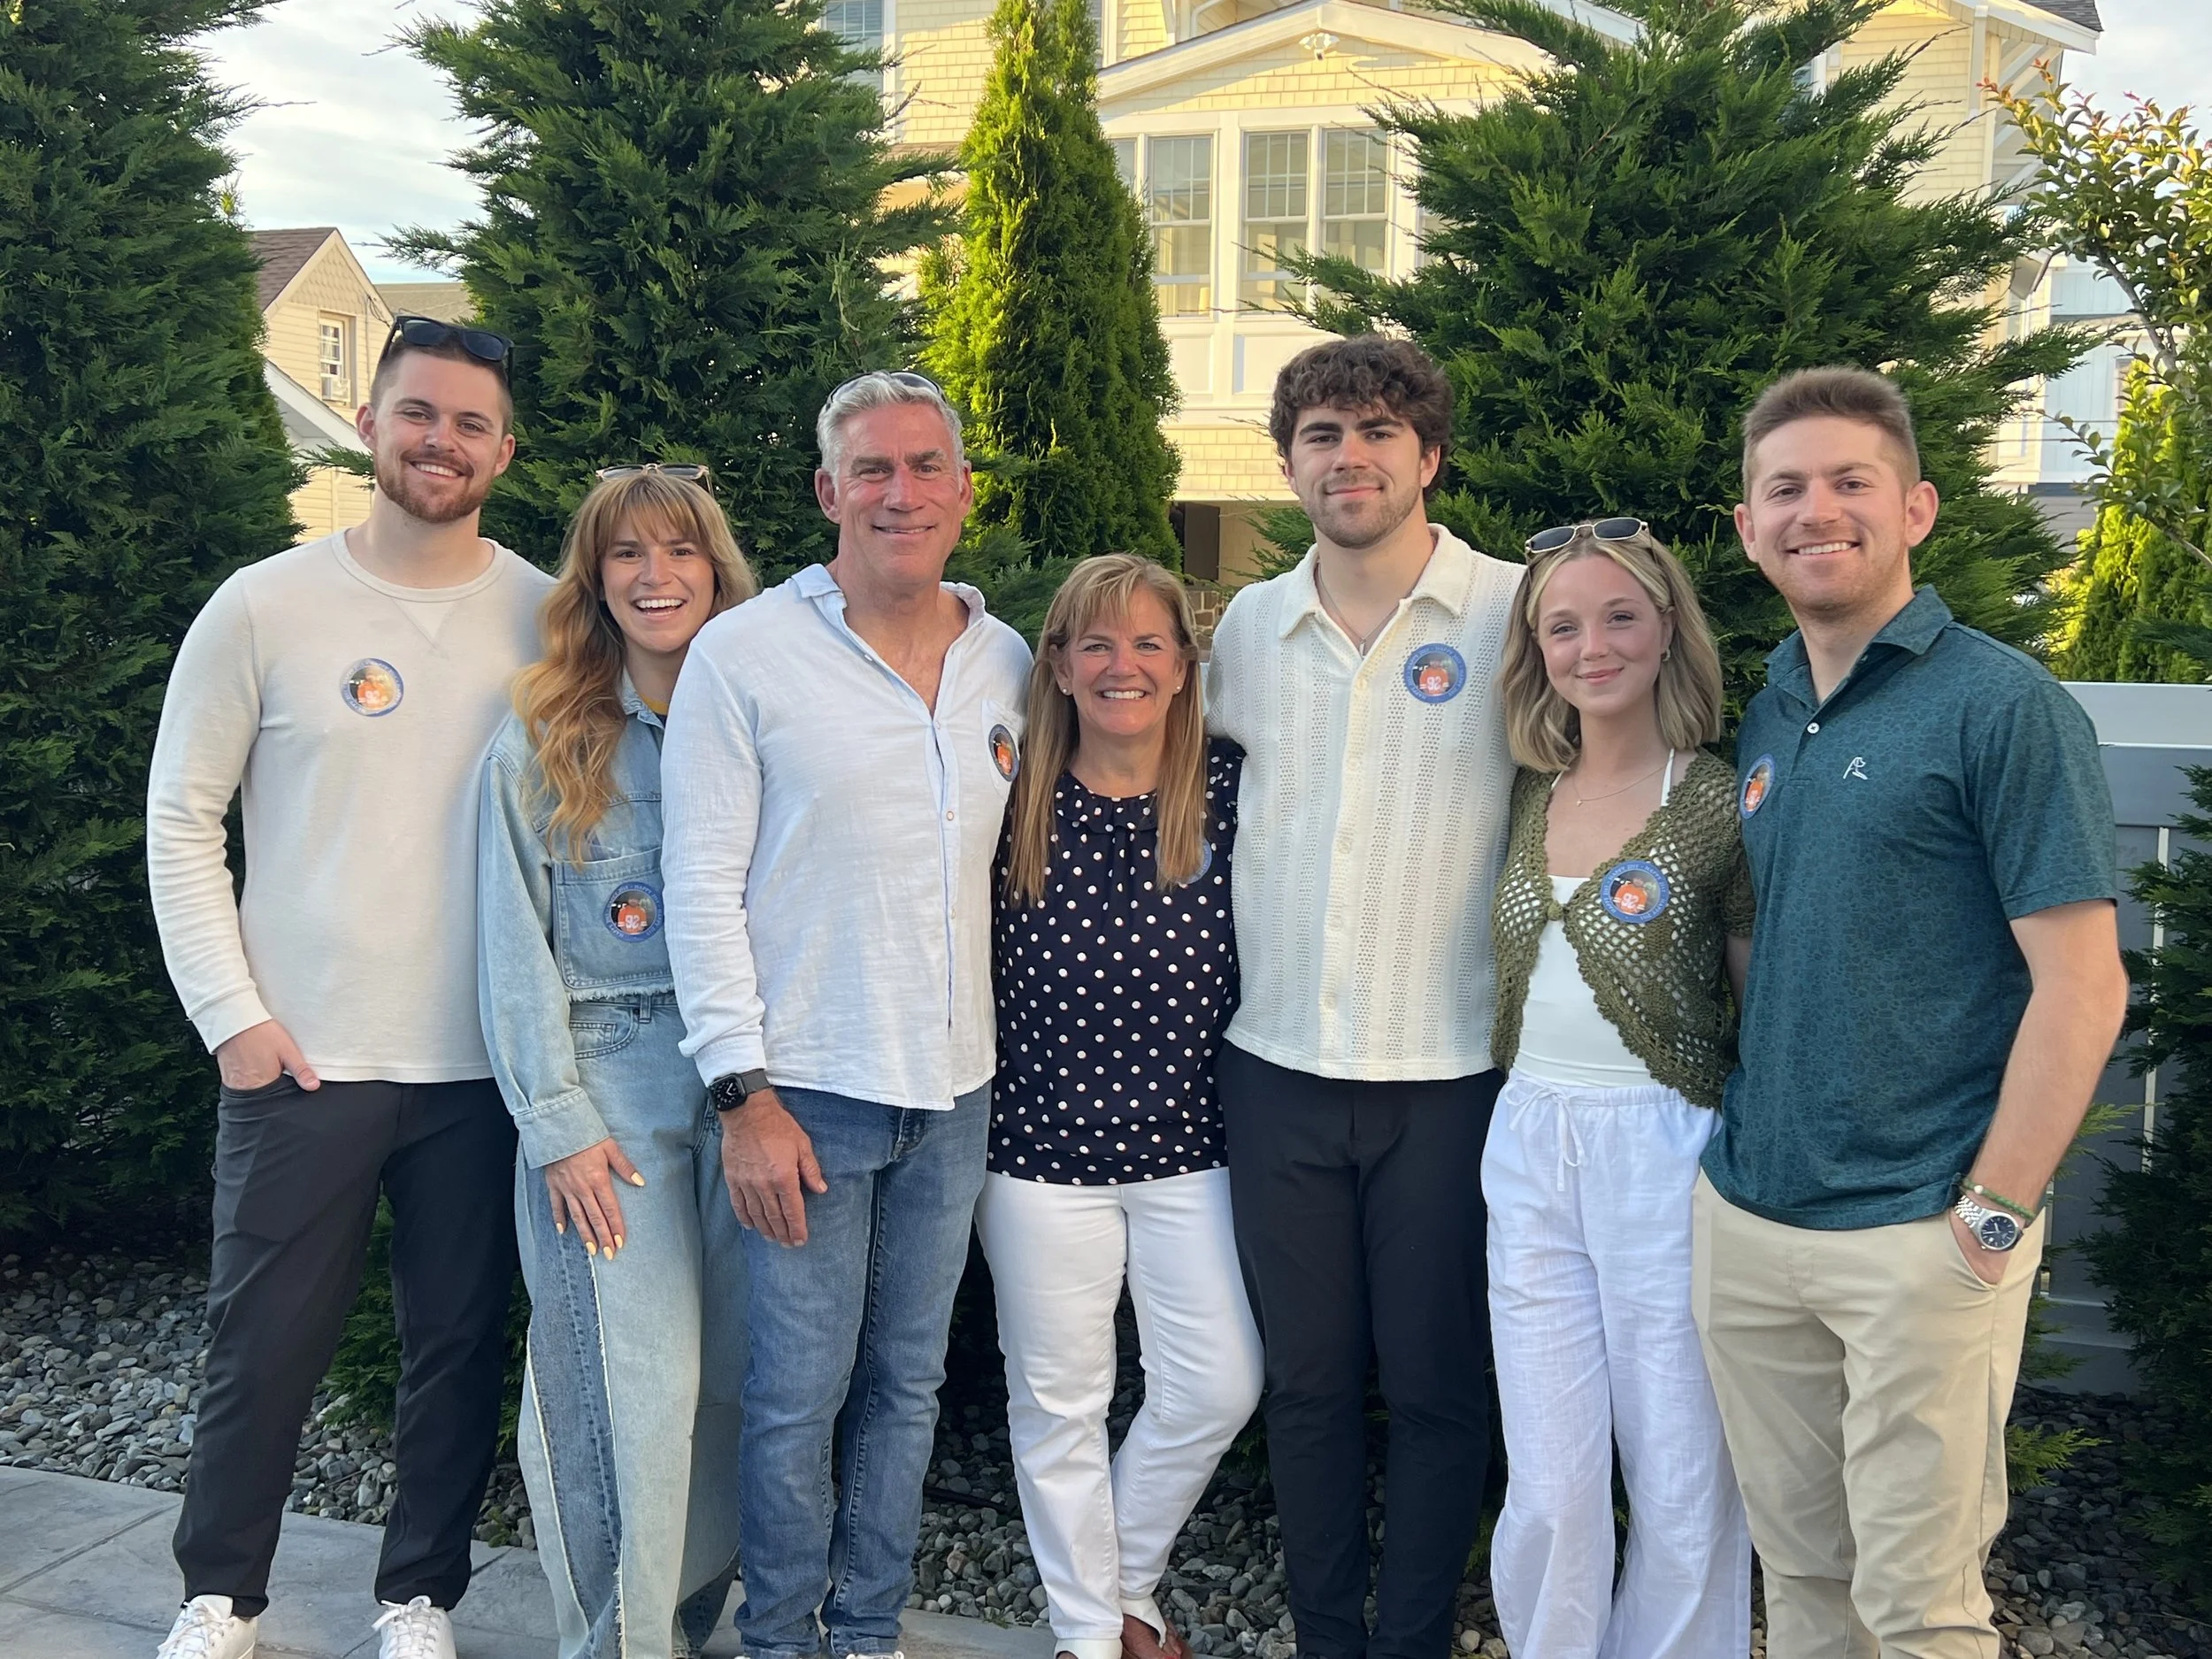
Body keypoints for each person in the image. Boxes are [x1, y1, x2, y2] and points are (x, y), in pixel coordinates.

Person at [1696, 367, 2129, 1659]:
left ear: (1919, 508)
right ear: (1746, 524)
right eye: (1786, 487)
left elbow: (2084, 984)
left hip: (1920, 1233)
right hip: (1753, 1218)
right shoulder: (1774, 705)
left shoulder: (2005, 707)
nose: (1814, 510)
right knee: (1807, 1579)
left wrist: (1991, 1214)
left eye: (1849, 483)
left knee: (1922, 1608)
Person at [145, 317, 547, 1659]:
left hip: (480, 1066)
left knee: (458, 1345)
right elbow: (180, 817)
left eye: (471, 421)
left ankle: (419, 1596)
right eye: (419, 412)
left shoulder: (548, 617)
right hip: (303, 1056)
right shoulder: (265, 603)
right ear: (371, 422)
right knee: (259, 1343)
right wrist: (234, 1019)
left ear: (506, 446)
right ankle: (221, 1596)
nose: (443, 440)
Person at [659, 372, 1032, 1659]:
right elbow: (697, 881)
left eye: (926, 466)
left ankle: (863, 1629)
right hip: (801, 1092)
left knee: (909, 1384)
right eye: (870, 469)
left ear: (964, 490)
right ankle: (778, 1635)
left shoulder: (1007, 658)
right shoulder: (745, 652)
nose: (900, 492)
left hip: (956, 1086)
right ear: (827, 492)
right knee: (793, 1394)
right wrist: (740, 1094)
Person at [1205, 334, 1524, 1659]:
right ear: (1288, 465)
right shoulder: (1245, 629)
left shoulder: (1517, 614)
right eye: (1323, 435)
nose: (1351, 456)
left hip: (1447, 1074)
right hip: (1273, 1069)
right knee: (1312, 1386)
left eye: (1379, 431)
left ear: (1429, 455)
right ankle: (1330, 1634)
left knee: (1445, 1390)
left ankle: (1412, 1640)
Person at [477, 465, 757, 1659]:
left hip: (751, 1097)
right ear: (593, 581)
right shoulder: (541, 740)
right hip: (610, 1105)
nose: (657, 576)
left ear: (716, 570)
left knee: (738, 1389)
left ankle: (692, 1615)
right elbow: (510, 948)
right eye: (627, 555)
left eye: (680, 551)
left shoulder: (758, 719)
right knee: (626, 1397)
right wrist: (558, 1124)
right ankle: (618, 1640)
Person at [978, 555, 1263, 1659]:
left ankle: (1123, 1579)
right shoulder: (1012, 798)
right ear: (1054, 666)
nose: (1122, 666)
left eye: (1149, 643)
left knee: (1218, 1381)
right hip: (1037, 1156)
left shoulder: (1229, 790)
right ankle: (1088, 1638)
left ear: (1187, 668)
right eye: (1094, 644)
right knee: (1059, 1406)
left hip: (1192, 1149)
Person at [1482, 518, 1753, 1658]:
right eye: (1562, 625)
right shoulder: (1523, 793)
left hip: (1665, 1145)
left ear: (1665, 630)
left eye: (1618, 616)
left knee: (1680, 1465)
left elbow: (1759, 996)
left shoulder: (1719, 801)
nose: (1591, 646)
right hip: (1528, 1138)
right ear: (1535, 649)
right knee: (1548, 1478)